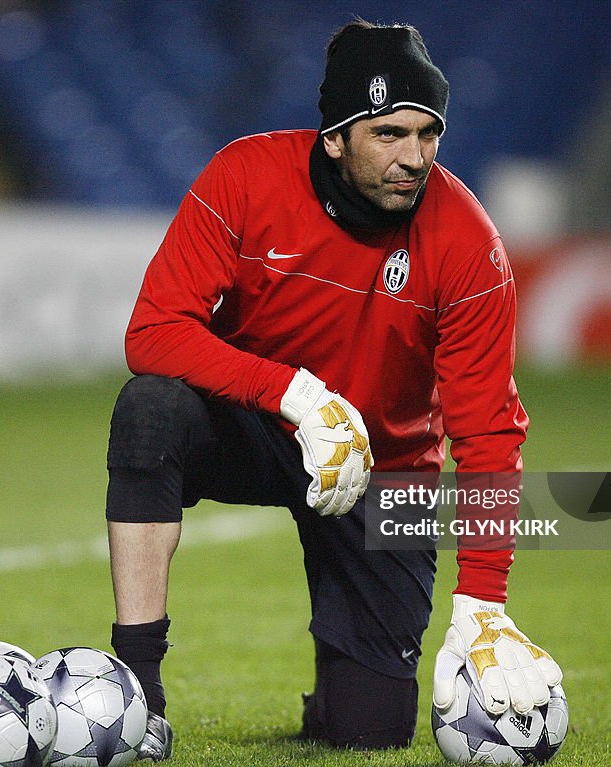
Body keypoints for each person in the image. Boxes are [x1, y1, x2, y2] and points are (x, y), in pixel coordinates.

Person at [105, 19, 562, 759]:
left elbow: (489, 432)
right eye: (388, 134)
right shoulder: (245, 177)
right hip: (259, 425)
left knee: (370, 731)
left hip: (388, 471)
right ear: (335, 138)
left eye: (427, 133)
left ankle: (343, 689)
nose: (413, 157)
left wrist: (484, 602)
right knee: (151, 409)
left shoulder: (468, 241)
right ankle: (135, 696)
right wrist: (295, 394)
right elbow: (153, 333)